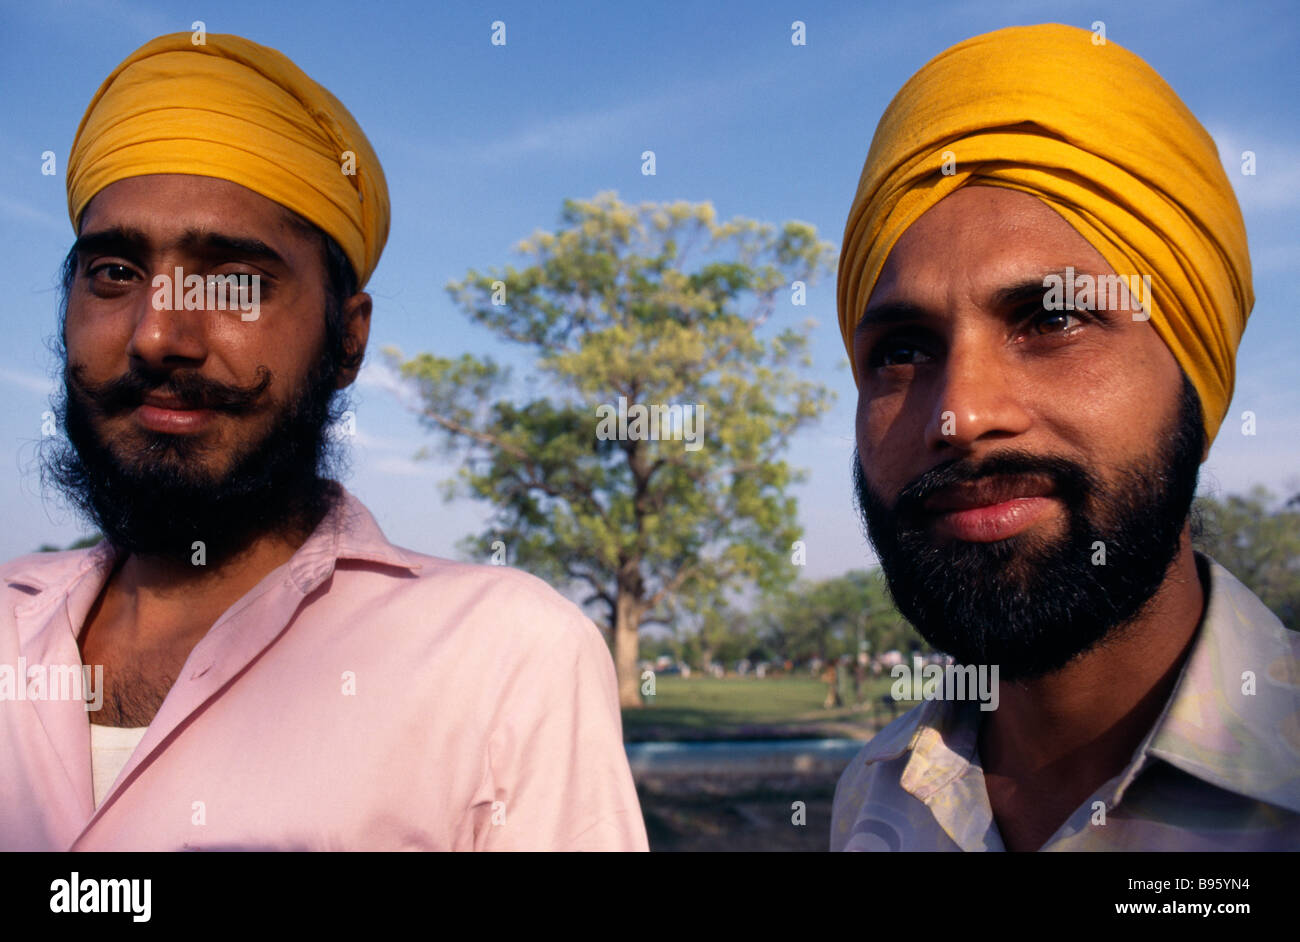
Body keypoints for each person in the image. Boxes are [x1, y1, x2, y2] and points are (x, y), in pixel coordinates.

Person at [0, 32, 647, 851]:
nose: (158, 333)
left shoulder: (501, 661)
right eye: (115, 273)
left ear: (348, 339)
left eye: (233, 281)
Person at [830, 24, 1299, 851]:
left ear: (1196, 367)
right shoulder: (875, 793)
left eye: (1051, 319)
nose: (962, 414)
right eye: (902, 352)